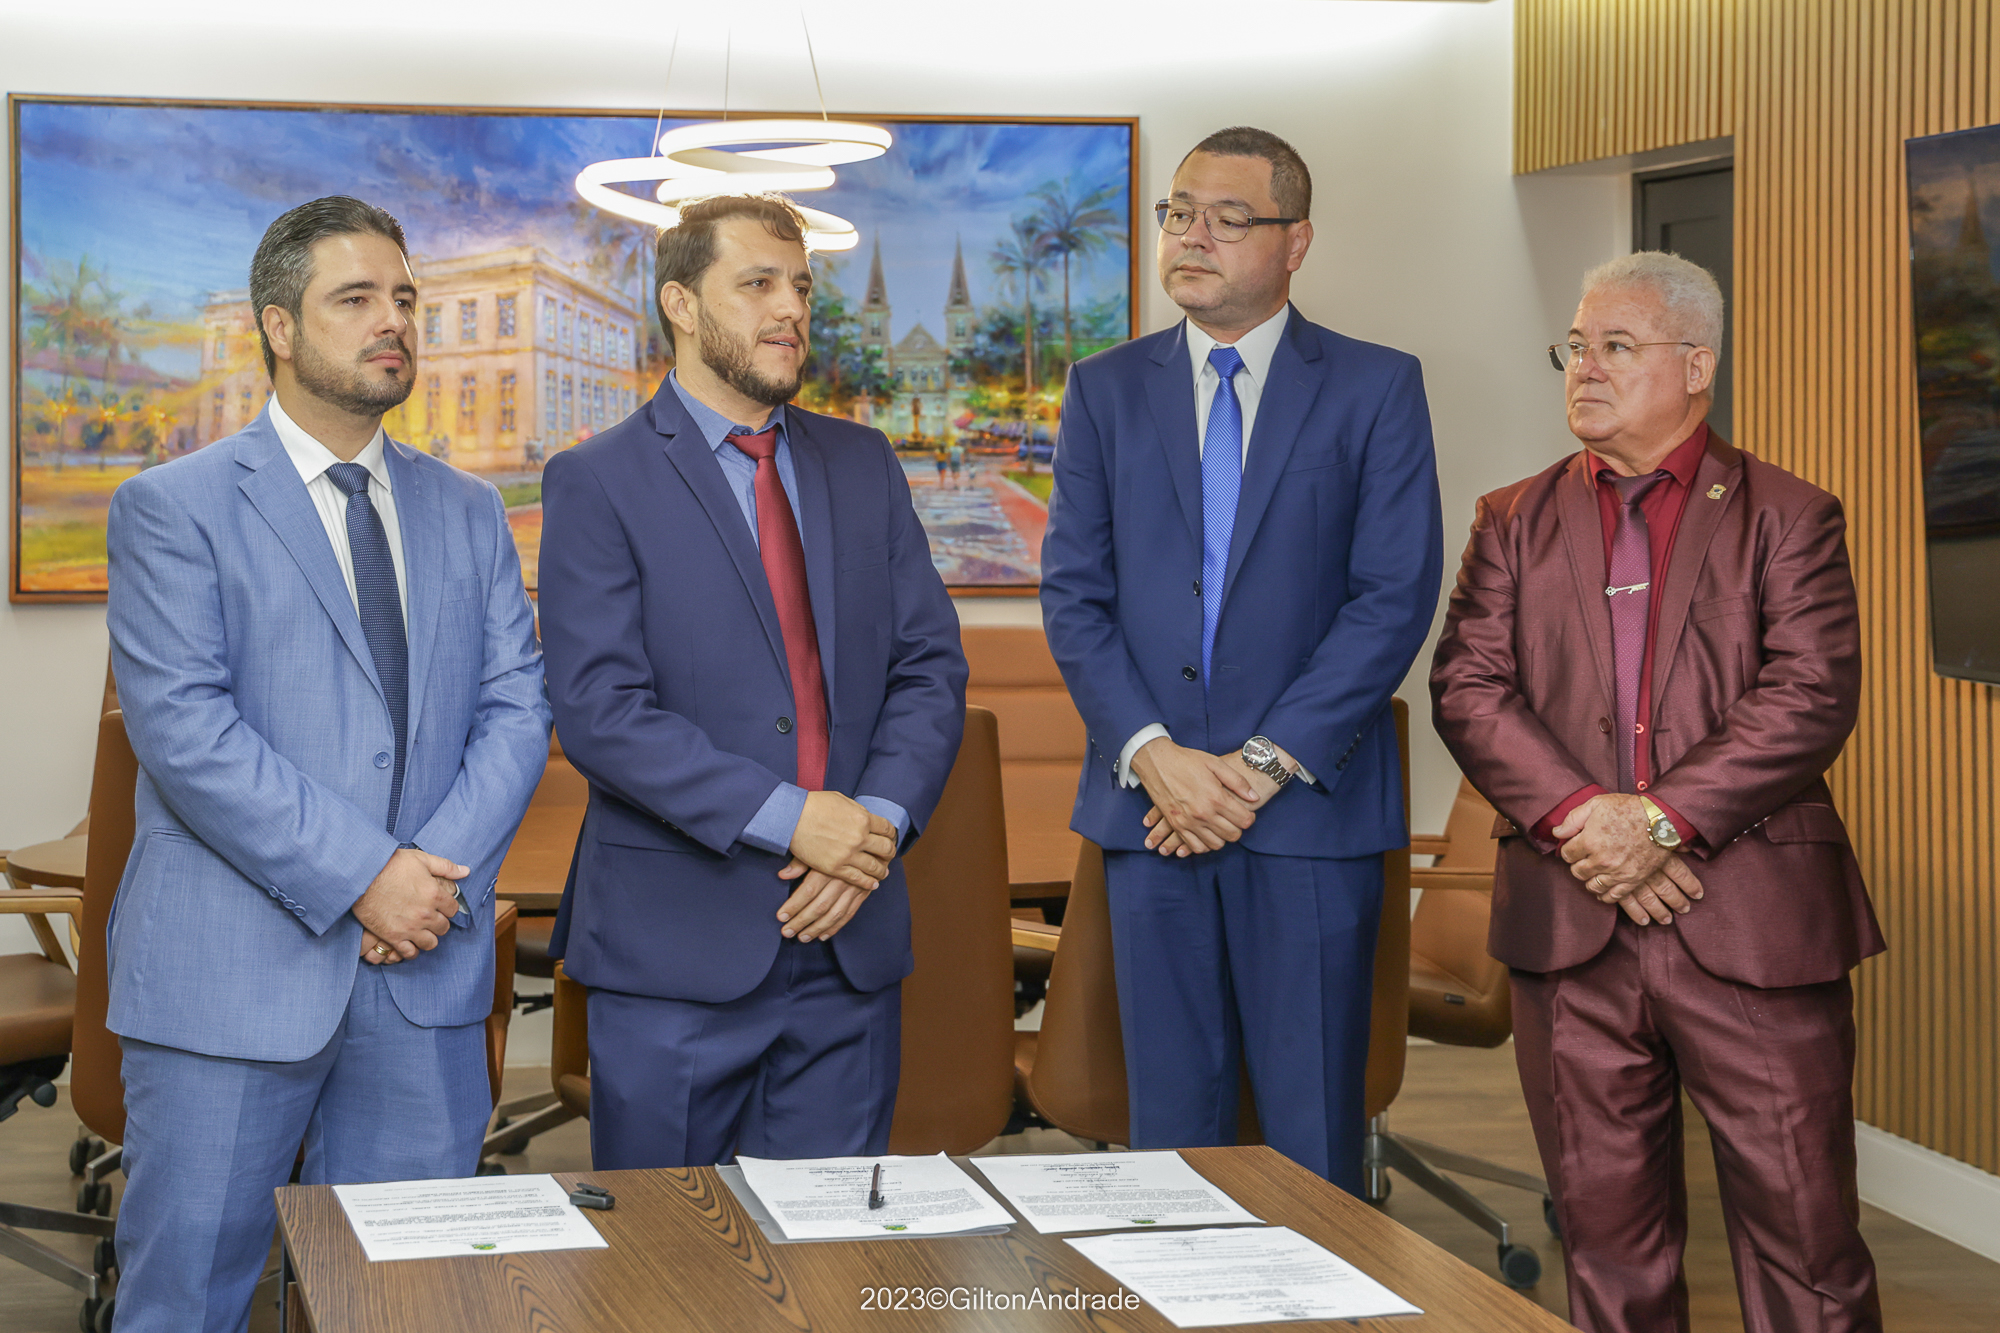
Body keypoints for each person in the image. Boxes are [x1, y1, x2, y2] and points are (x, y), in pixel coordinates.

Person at [105, 195, 551, 1333]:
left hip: (423, 974)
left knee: (409, 1305)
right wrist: (367, 876)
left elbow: (517, 709)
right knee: (185, 1306)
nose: (392, 320)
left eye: (404, 298)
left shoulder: (471, 511)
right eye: (355, 298)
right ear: (279, 326)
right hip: (229, 982)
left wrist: (427, 880)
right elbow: (187, 732)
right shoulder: (171, 508)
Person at [1430, 252, 1884, 1332]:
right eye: (1575, 347)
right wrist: (1587, 823)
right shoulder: (1510, 518)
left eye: (1615, 346)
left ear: (1695, 365)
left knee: (1806, 1244)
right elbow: (1467, 687)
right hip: (1570, 920)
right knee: (1605, 1247)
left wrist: (1658, 821)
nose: (1584, 367)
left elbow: (1811, 691)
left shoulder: (1788, 514)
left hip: (1750, 924)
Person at [1039, 127, 1442, 1193]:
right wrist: (1153, 756)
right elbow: (1073, 596)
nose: (1192, 236)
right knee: (1170, 1134)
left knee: (1311, 1133)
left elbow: (1390, 599)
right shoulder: (1103, 390)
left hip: (1306, 816)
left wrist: (1257, 768)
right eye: (1178, 213)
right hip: (1151, 816)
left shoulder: (1374, 386)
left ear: (1294, 242)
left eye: (1227, 218)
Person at [537, 194, 967, 1170]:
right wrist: (793, 819)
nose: (791, 310)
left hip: (848, 945)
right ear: (681, 304)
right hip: (675, 957)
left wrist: (869, 830)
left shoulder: (863, 463)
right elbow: (601, 713)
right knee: (669, 1254)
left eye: (802, 288)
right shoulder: (597, 481)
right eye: (759, 284)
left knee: (829, 1252)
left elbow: (928, 667)